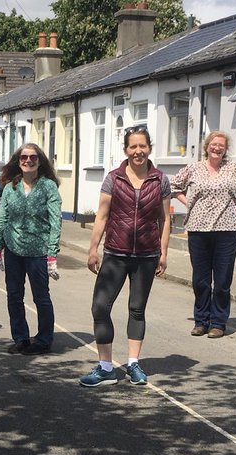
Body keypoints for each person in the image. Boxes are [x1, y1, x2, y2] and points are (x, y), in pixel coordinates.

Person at [79, 127, 171, 387]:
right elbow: (103, 215)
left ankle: (133, 364)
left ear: (149, 148)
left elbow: (164, 220)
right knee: (100, 307)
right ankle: (106, 367)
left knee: (137, 310)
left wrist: (163, 253)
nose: (138, 151)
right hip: (116, 253)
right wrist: (93, 248)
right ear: (126, 150)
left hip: (147, 254)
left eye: (142, 146)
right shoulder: (113, 179)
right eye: (133, 147)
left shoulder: (160, 180)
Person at [170, 131, 236, 338]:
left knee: (222, 280)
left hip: (227, 230)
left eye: (221, 146)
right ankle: (201, 321)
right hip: (198, 230)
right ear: (206, 147)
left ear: (225, 149)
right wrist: (188, 204)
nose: (217, 148)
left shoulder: (233, 168)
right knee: (201, 279)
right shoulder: (194, 168)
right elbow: (172, 186)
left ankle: (218, 323)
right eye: (213, 145)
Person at [0, 143, 60, 354]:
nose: (28, 161)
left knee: (41, 298)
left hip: (38, 253)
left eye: (33, 157)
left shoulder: (48, 186)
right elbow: (3, 219)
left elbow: (56, 220)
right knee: (14, 296)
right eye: (24, 157)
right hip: (13, 250)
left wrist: (52, 255)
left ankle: (43, 340)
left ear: (40, 161)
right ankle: (20, 338)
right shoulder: (10, 188)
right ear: (18, 161)